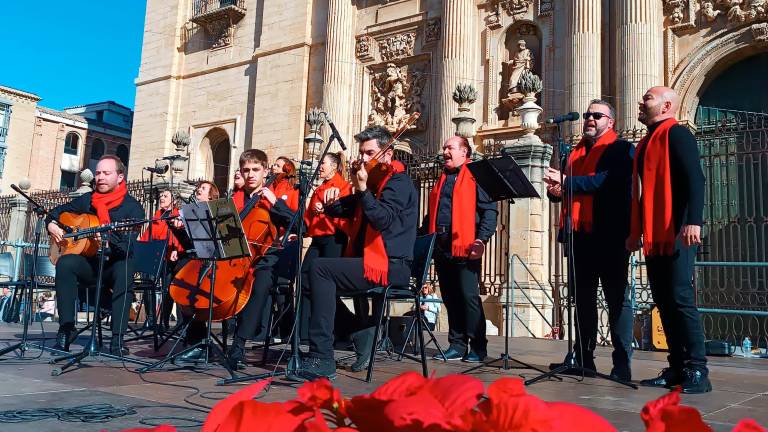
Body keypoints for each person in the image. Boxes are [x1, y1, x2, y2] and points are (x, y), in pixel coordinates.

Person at [294, 125, 418, 381]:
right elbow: (344, 208)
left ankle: (322, 358)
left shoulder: (399, 183)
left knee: (320, 268)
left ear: (387, 154)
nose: (363, 158)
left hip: (392, 266)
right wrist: (330, 202)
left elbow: (382, 219)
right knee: (308, 277)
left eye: (369, 153)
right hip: (371, 261)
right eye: (361, 152)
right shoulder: (373, 184)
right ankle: (359, 331)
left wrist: (362, 190)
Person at [543, 99, 635, 381]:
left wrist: (567, 182)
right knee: (582, 299)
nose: (590, 119)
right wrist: (556, 191)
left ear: (611, 122)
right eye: (587, 115)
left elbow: (607, 182)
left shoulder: (621, 149)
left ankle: (622, 363)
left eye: (597, 115)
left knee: (616, 298)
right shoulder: (573, 155)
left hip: (610, 234)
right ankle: (584, 358)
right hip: (579, 235)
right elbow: (564, 190)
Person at [628, 86, 710, 393]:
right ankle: (677, 367)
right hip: (654, 234)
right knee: (663, 300)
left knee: (681, 298)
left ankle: (698, 370)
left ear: (665, 106)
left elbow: (696, 179)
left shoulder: (678, 135)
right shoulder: (645, 143)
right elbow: (641, 192)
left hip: (676, 231)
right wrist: (635, 231)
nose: (641, 101)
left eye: (648, 98)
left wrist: (693, 221)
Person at [47, 155, 145, 355]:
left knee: (125, 268)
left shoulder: (132, 207)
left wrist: (108, 241)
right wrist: (51, 224)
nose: (100, 177)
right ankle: (67, 328)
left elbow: (127, 246)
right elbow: (56, 212)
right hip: (91, 264)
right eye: (98, 173)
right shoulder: (87, 199)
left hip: (114, 264)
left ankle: (117, 338)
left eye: (106, 173)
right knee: (65, 263)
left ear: (120, 177)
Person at [422, 136, 497, 363]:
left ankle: (478, 346)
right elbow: (431, 214)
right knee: (450, 297)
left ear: (464, 152)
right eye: (444, 147)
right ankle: (457, 344)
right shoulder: (441, 179)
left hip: (466, 246)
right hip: (442, 245)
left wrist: (481, 239)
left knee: (468, 297)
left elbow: (489, 211)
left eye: (450, 148)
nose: (445, 151)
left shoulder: (476, 176)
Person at [224, 150, 298, 369]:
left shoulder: (272, 198)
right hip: (236, 258)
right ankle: (197, 340)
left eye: (255, 170)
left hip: (265, 260)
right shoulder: (234, 200)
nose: (250, 175)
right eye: (246, 170)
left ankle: (238, 345)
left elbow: (299, 224)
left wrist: (276, 203)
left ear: (265, 171)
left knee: (260, 284)